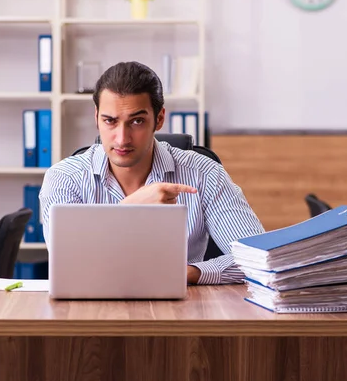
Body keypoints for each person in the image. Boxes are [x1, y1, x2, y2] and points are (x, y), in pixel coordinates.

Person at [39, 61, 264, 285]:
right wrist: (130, 209)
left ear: (159, 119)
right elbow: (69, 265)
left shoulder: (204, 173)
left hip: (181, 308)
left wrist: (185, 273)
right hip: (93, 312)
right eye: (110, 121)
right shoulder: (63, 178)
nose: (122, 138)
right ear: (96, 117)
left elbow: (258, 259)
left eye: (137, 121)